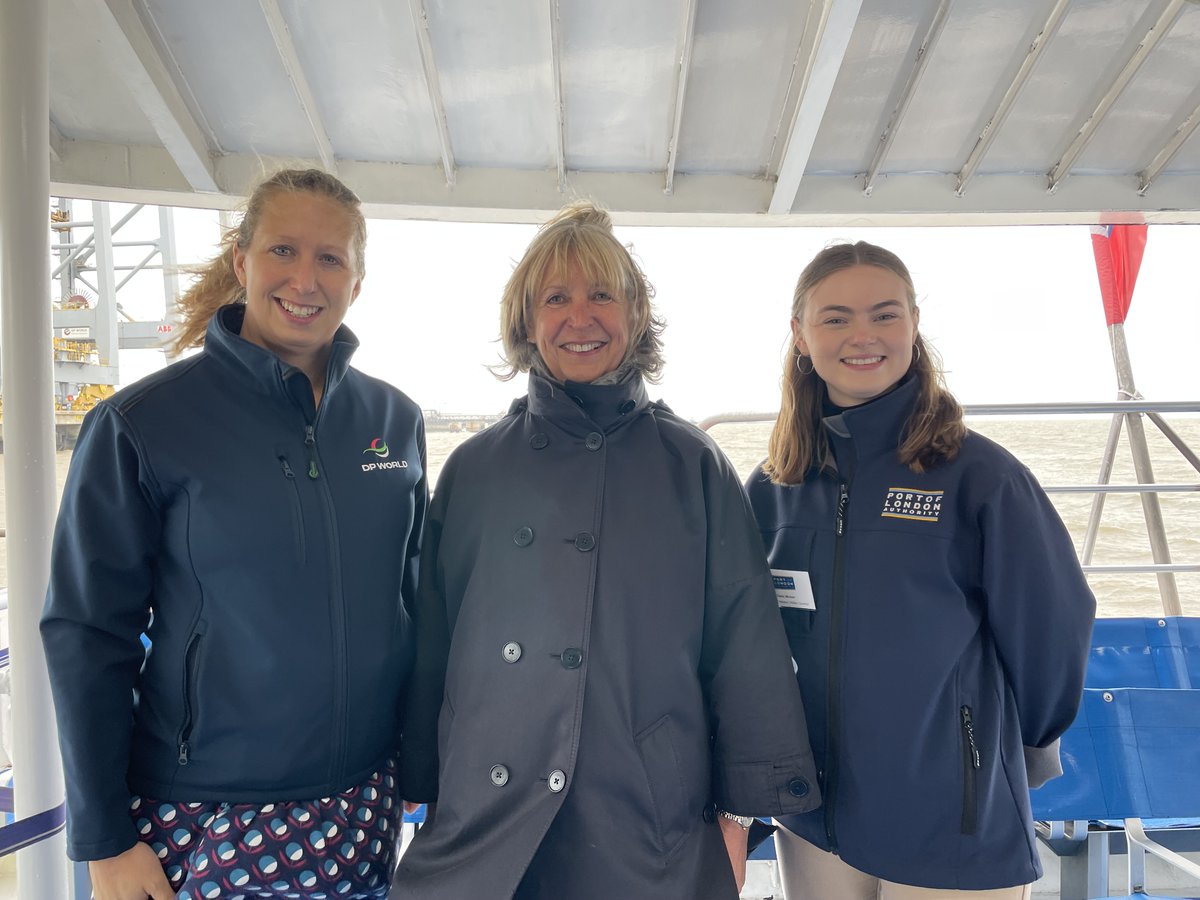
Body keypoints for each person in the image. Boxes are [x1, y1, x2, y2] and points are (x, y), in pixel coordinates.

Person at [391, 201, 820, 899]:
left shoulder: (693, 464)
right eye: (556, 298)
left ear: (636, 314)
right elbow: (436, 633)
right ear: (527, 321)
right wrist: (424, 777)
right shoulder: (474, 467)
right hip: (487, 805)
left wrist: (741, 811)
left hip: (644, 806)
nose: (580, 317)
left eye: (602, 295)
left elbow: (746, 644)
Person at [41, 168, 427, 900]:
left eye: (331, 258)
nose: (305, 279)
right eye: (283, 250)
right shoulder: (142, 424)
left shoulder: (394, 422)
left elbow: (414, 607)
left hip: (365, 807)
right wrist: (105, 839)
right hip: (206, 815)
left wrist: (420, 765)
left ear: (358, 281)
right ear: (241, 261)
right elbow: (87, 633)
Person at [745, 240, 1096, 899]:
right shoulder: (773, 488)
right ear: (799, 335)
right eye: (836, 317)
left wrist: (1015, 751)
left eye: (885, 314)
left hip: (949, 811)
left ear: (913, 324)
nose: (863, 336)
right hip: (813, 813)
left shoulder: (980, 477)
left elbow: (1053, 627)